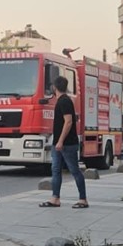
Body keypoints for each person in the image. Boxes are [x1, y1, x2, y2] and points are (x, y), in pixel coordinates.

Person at [39, 76, 88, 209]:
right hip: (58, 143)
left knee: (74, 170)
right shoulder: (61, 101)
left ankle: (83, 199)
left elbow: (69, 121)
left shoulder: (65, 101)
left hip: (67, 144)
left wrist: (60, 141)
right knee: (55, 170)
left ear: (55, 87)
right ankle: (55, 198)